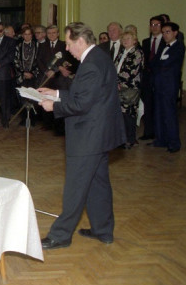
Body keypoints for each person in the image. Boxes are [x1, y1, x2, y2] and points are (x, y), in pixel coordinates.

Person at [38, 22, 125, 249]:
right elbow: (87, 94)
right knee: (98, 184)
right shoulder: (99, 57)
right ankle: (102, 230)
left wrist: (53, 106)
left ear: (80, 41)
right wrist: (56, 92)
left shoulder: (91, 64)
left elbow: (82, 103)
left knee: (75, 187)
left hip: (88, 135)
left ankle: (60, 235)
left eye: (68, 43)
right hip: (99, 134)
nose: (67, 49)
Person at [150, 22, 185, 153]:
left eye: (167, 32)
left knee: (169, 114)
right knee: (159, 112)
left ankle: (174, 142)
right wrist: (159, 64)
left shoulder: (178, 46)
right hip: (159, 84)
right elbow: (153, 63)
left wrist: (160, 64)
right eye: (163, 32)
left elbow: (167, 63)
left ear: (175, 33)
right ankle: (161, 139)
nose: (164, 35)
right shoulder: (162, 47)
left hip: (169, 85)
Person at [115, 31, 144, 149]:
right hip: (118, 86)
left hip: (130, 87)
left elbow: (132, 71)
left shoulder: (137, 53)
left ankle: (130, 139)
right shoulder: (122, 52)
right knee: (120, 114)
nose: (125, 41)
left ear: (134, 40)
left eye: (128, 39)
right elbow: (114, 66)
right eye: (123, 39)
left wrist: (120, 82)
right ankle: (121, 138)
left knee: (129, 114)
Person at [138, 16, 164, 141]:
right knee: (148, 105)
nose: (154, 27)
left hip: (160, 77)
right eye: (152, 25)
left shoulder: (165, 41)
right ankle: (148, 132)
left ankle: (160, 133)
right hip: (147, 77)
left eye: (157, 25)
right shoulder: (146, 42)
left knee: (159, 106)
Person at [13, 27, 40, 125]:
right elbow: (15, 60)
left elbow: (39, 61)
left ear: (32, 35)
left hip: (33, 76)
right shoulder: (18, 46)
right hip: (22, 76)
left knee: (33, 97)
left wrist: (32, 73)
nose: (27, 36)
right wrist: (23, 72)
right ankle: (24, 118)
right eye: (25, 34)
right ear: (22, 35)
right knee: (22, 98)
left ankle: (32, 119)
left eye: (29, 34)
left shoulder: (37, 45)